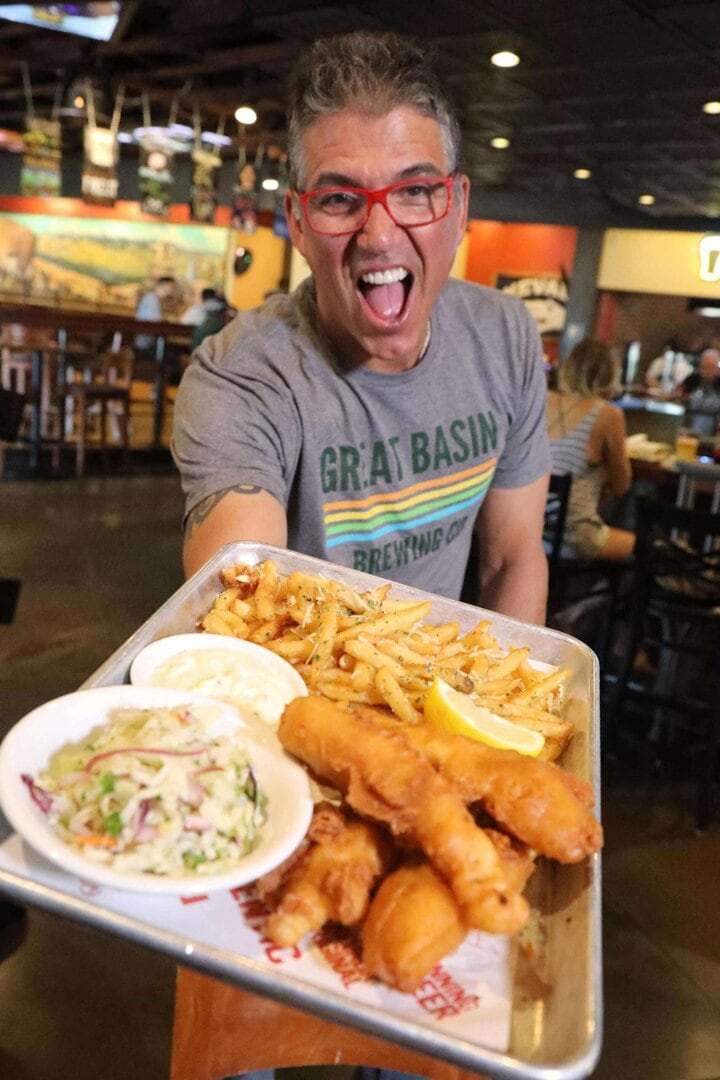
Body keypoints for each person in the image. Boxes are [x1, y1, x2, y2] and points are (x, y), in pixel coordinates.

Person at [174, 30, 551, 626]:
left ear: (457, 207)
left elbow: (514, 558)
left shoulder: (506, 337)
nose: (378, 235)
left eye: (415, 191)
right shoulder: (241, 374)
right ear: (298, 223)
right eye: (338, 200)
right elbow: (241, 607)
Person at [547, 338, 634, 560]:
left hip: (530, 534)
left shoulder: (544, 400)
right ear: (610, 374)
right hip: (572, 538)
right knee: (642, 546)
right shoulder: (608, 413)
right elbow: (621, 486)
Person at [677, 346, 720, 437]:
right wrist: (684, 398)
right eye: (705, 367)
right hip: (688, 425)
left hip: (713, 430)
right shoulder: (691, 379)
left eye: (711, 367)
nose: (708, 371)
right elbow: (677, 394)